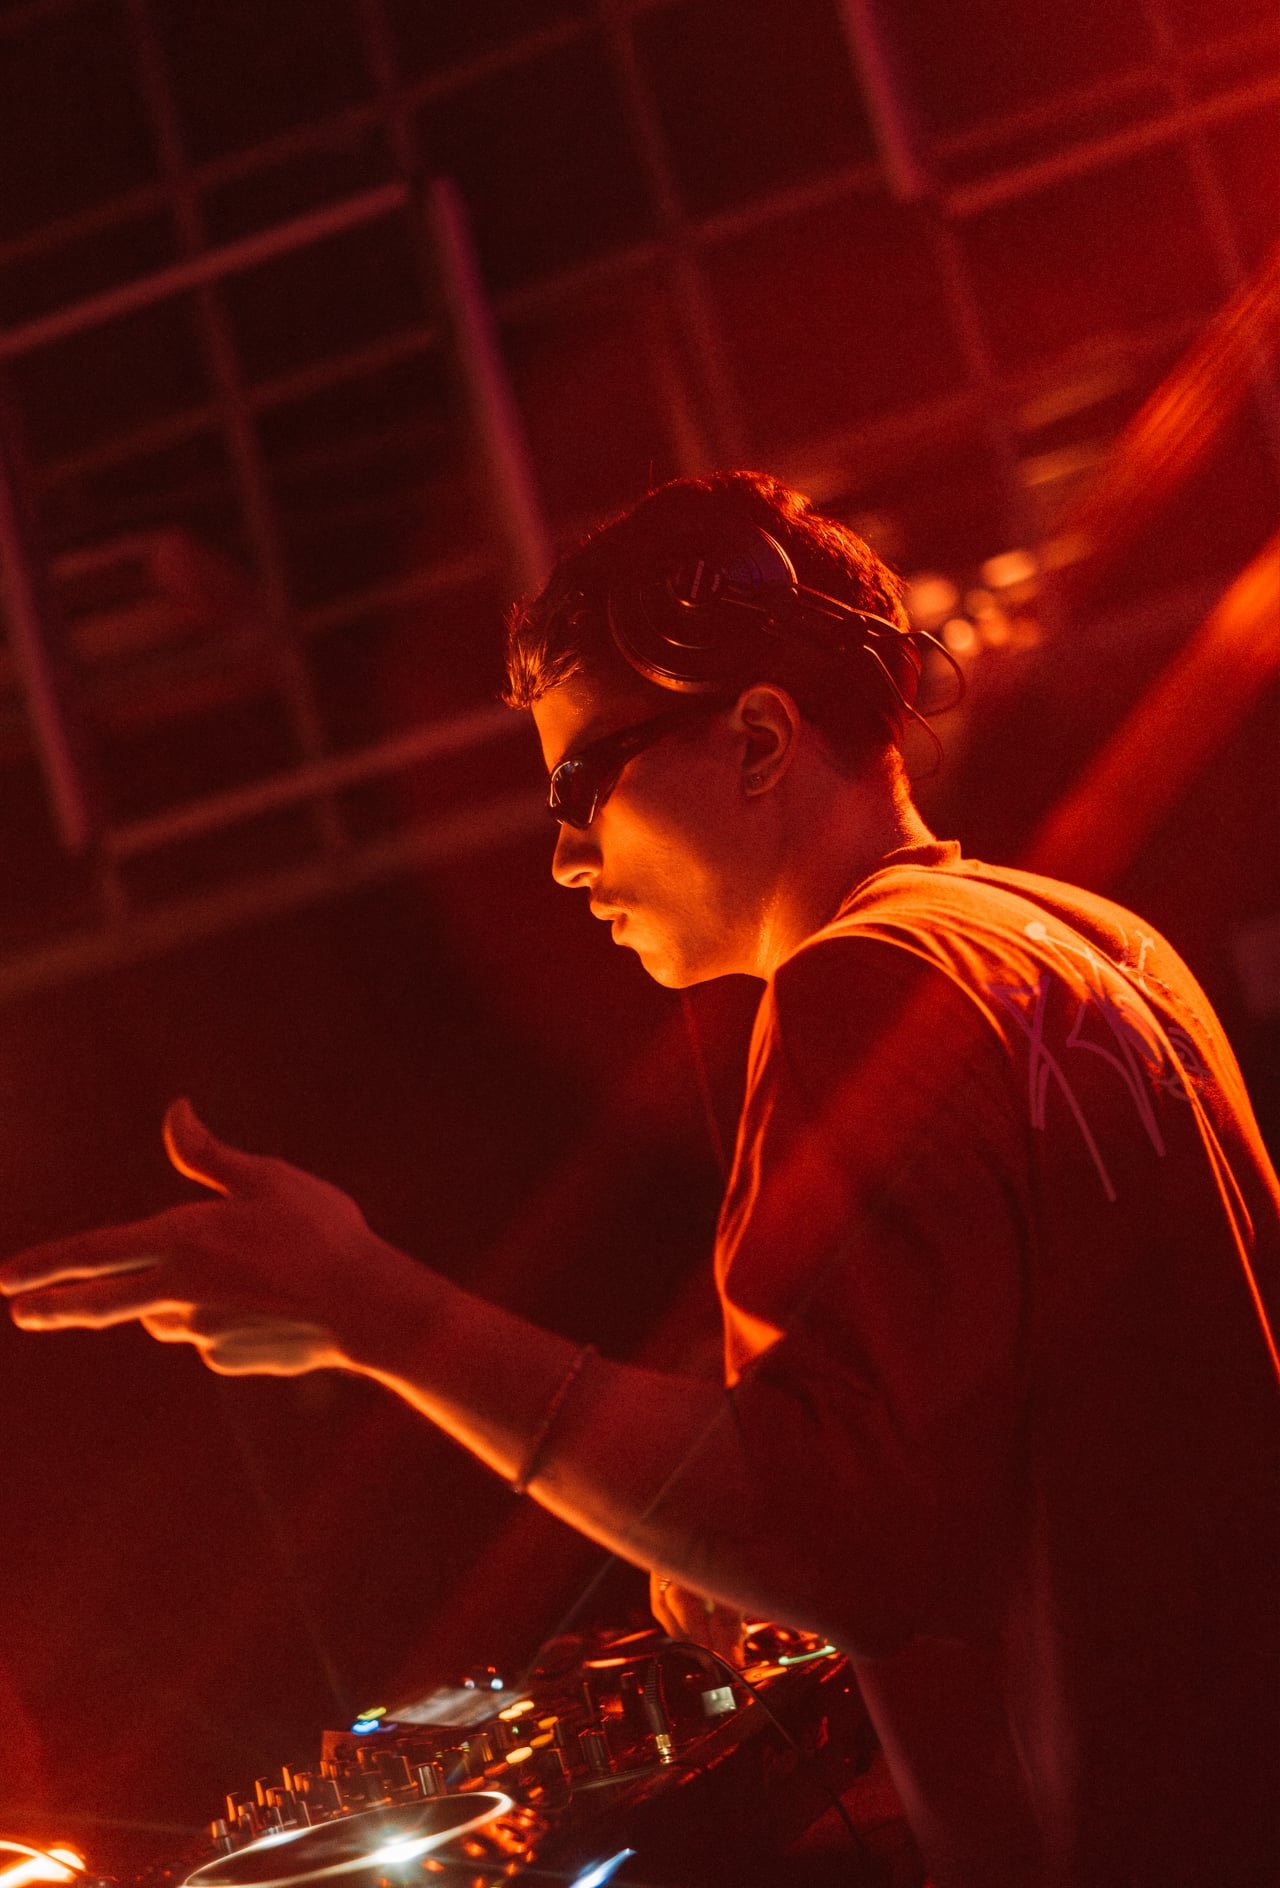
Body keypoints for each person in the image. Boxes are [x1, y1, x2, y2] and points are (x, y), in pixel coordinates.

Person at [2, 471, 1277, 1888]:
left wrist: (372, 1312)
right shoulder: (1091, 939)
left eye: (580, 785)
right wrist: (710, 1523)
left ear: (757, 738)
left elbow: (838, 1537)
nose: (565, 858)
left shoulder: (859, 984)